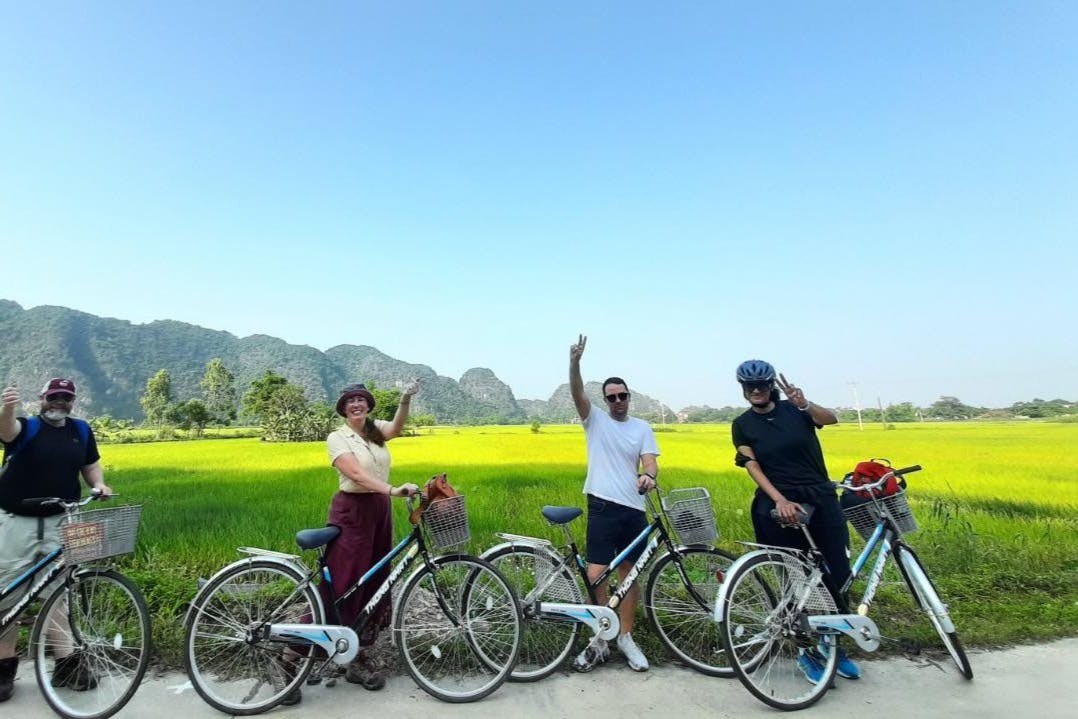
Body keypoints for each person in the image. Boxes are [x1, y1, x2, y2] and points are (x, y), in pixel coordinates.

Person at [730, 359, 861, 683]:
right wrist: (779, 500)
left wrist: (804, 403)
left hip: (821, 496)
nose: (756, 391)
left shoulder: (795, 410)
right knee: (794, 579)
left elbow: (830, 419)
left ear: (771, 386)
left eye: (762, 385)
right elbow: (752, 466)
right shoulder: (742, 424)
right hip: (780, 505)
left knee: (837, 574)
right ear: (743, 389)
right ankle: (805, 650)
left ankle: (832, 643)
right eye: (750, 386)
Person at [0, 379, 113, 703]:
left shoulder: (81, 430)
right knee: (8, 595)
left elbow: (90, 464)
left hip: (62, 521)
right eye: (53, 397)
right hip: (17, 522)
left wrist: (99, 484)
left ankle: (66, 664)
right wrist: (7, 408)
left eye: (65, 397)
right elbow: (6, 431)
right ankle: (4, 666)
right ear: (42, 399)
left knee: (60, 593)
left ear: (72, 401)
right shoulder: (27, 427)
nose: (59, 402)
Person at [568, 335, 659, 672]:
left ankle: (626, 637)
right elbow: (577, 393)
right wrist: (575, 363)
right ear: (605, 400)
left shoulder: (642, 428)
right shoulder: (595, 420)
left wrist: (649, 476)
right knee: (596, 574)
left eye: (623, 395)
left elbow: (650, 462)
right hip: (602, 506)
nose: (618, 401)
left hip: (634, 509)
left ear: (629, 396)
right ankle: (601, 637)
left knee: (629, 575)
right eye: (612, 397)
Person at [322, 381, 419, 693]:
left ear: (368, 405)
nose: (356, 404)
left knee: (376, 580)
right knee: (345, 583)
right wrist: (392, 490)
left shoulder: (375, 431)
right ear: (343, 408)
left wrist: (405, 398)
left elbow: (398, 428)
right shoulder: (337, 438)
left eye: (361, 400)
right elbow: (356, 475)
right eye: (350, 400)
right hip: (352, 512)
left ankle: (357, 655)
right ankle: (292, 654)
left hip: (379, 511)